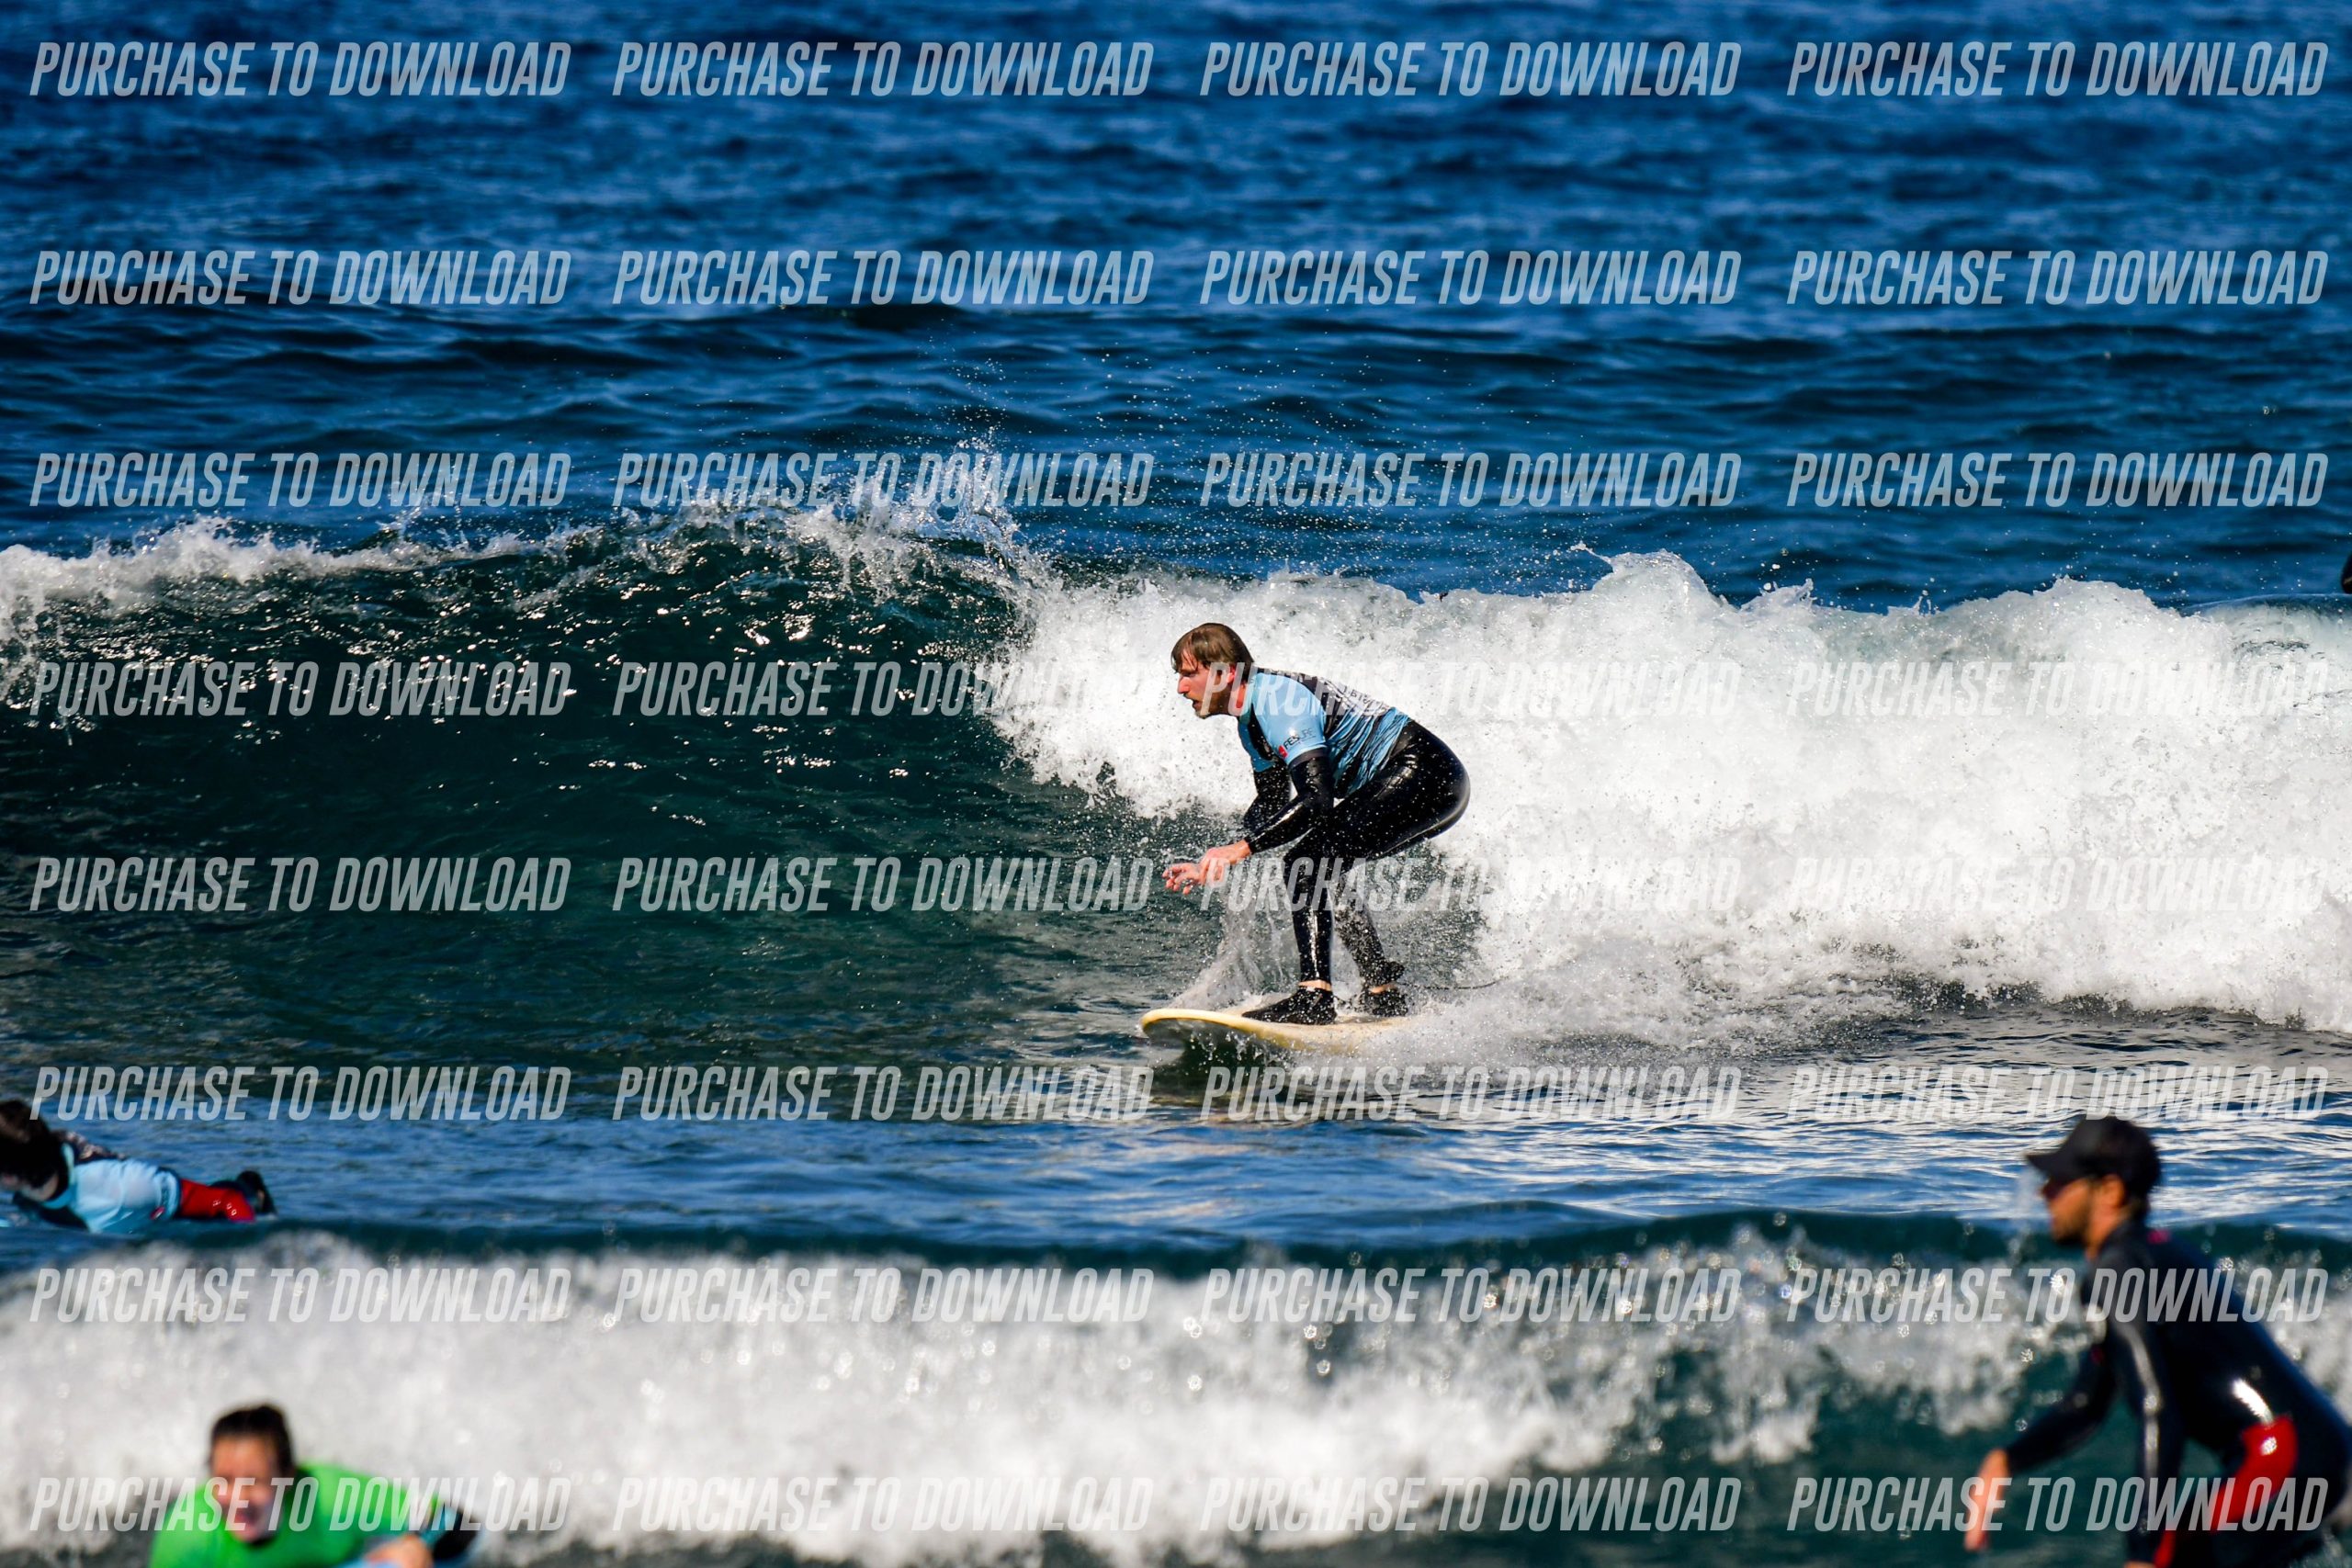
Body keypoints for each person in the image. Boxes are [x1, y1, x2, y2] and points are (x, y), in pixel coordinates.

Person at [1964, 1116, 2352, 1567]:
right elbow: (2087, 1404)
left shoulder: (2119, 1270)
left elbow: (2158, 1410)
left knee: (2169, 1556)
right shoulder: (2153, 1256)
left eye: (2062, 1182)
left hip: (2285, 1459)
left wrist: (2143, 1552)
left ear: (2110, 1191)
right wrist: (2005, 1461)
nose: (2045, 1193)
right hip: (2320, 1456)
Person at [1161, 622, 1467, 1024]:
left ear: (1225, 673)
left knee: (1305, 862)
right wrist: (1215, 857)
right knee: (1323, 864)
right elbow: (1272, 802)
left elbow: (1316, 802)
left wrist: (1239, 850)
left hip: (1425, 774)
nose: (1181, 688)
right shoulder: (1251, 724)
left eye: (1189, 674)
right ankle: (1381, 989)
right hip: (1430, 780)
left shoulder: (1278, 702)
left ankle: (1314, 997)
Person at [152, 1404, 475, 1568]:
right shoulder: (188, 1534)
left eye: (254, 1482)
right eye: (224, 1480)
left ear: (288, 1476)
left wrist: (416, 1543)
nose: (237, 1498)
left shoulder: (331, 1499)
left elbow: (458, 1523)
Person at [0, 1099, 272, 1235]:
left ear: (10, 1176)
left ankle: (253, 1190)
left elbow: (225, 1202)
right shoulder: (29, 1175)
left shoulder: (126, 1188)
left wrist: (251, 1253)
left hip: (179, 1214)